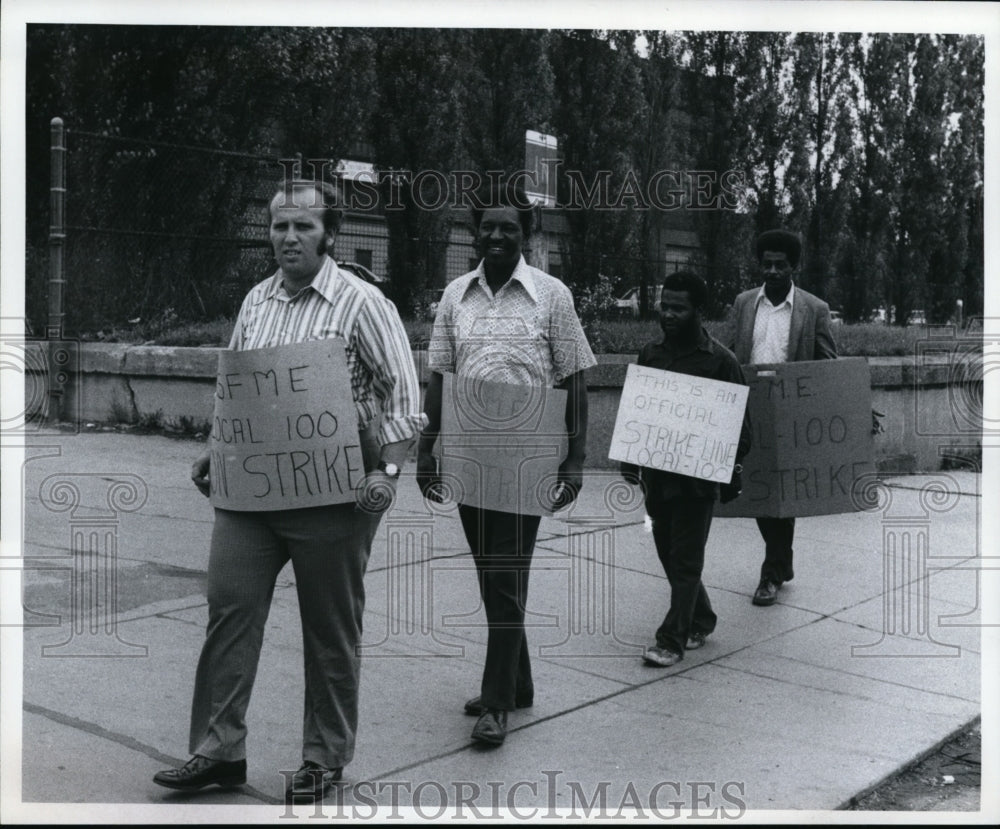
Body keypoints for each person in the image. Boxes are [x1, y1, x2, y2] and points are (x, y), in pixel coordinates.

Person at [153, 179, 426, 798]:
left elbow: (406, 399)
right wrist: (216, 448)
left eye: (303, 226)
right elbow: (241, 384)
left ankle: (324, 756)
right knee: (229, 606)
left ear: (330, 234)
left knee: (329, 625)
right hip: (254, 487)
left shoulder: (361, 303)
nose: (289, 237)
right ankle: (219, 750)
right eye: (279, 226)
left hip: (336, 489)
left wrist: (385, 476)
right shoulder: (256, 301)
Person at [417, 180, 596, 746]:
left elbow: (575, 379)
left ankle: (496, 703)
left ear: (527, 233)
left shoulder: (552, 296)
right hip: (469, 450)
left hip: (529, 452)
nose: (496, 235)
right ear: (475, 233)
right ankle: (517, 682)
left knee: (505, 573)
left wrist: (574, 461)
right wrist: (429, 449)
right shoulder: (454, 296)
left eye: (508, 227)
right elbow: (439, 377)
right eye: (487, 226)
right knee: (489, 572)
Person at [621, 270, 751, 668]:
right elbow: (636, 414)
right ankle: (702, 616)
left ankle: (671, 640)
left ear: (699, 311)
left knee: (686, 559)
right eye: (665, 306)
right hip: (658, 479)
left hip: (697, 483)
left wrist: (728, 469)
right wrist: (630, 460)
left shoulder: (721, 362)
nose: (669, 314)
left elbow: (741, 432)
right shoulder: (651, 354)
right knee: (667, 553)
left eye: (679, 308)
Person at [730, 229, 837, 607]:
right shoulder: (744, 303)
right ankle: (783, 561)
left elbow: (827, 363)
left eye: (781, 264)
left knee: (785, 497)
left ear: (795, 266)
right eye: (767, 263)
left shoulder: (814, 309)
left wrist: (850, 404)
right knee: (759, 491)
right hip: (749, 410)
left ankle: (771, 573)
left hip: (793, 413)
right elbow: (731, 357)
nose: (773, 270)